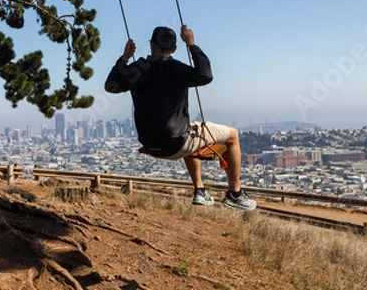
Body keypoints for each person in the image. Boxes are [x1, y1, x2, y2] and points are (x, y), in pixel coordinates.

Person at [104, 25, 256, 211]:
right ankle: (235, 193)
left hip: (148, 143)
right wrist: (191, 44)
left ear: (151, 46)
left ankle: (200, 189)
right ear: (174, 49)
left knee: (191, 131)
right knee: (232, 135)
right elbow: (205, 75)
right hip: (175, 143)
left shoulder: (138, 69)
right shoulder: (174, 68)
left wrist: (125, 58)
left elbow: (110, 86)